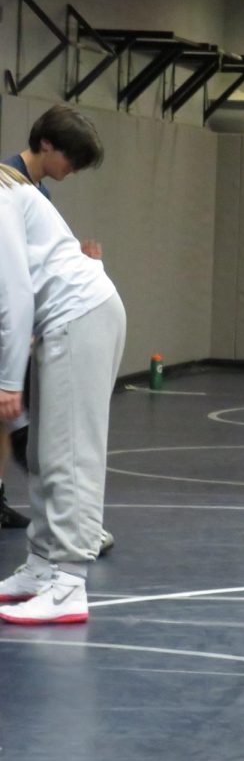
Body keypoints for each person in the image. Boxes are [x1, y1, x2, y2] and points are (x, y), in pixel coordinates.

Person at [0, 164, 126, 625]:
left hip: (80, 315)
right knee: (41, 451)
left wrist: (9, 381)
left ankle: (69, 582)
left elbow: (13, 294)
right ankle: (40, 567)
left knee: (70, 453)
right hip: (60, 321)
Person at [0, 104, 111, 552]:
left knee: (29, 427)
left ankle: (65, 529)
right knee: (27, 426)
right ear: (48, 144)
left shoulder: (32, 190)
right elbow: (14, 282)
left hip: (30, 320)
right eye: (72, 159)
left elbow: (27, 269)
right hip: (20, 321)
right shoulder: (10, 183)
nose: (73, 170)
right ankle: (70, 534)